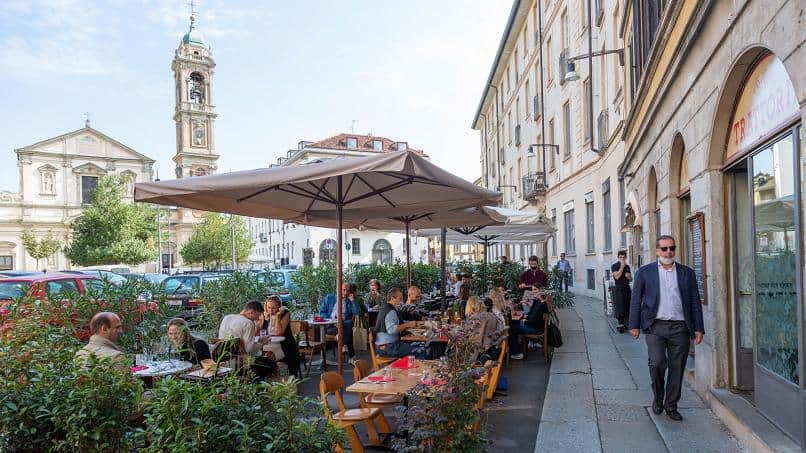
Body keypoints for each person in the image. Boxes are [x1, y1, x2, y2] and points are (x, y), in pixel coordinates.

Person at [629, 235, 704, 421]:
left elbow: (695, 301)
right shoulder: (645, 272)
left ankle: (671, 405)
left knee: (677, 367)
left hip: (680, 327)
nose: (668, 252)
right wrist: (634, 325)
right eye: (664, 249)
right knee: (657, 363)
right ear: (657, 251)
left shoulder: (687, 273)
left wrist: (698, 328)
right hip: (655, 326)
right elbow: (635, 299)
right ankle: (658, 396)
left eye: (672, 248)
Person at [375, 287, 425, 358]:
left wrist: (412, 324)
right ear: (392, 298)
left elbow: (396, 323)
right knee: (420, 350)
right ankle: (417, 368)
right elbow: (392, 330)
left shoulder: (386, 308)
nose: (402, 302)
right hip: (387, 347)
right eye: (400, 299)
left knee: (416, 345)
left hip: (384, 345)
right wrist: (408, 324)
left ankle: (410, 367)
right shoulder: (391, 311)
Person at [262, 296, 301, 377]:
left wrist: (277, 317)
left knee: (267, 357)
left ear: (279, 307)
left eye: (273, 308)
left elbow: (279, 332)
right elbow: (259, 331)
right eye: (268, 307)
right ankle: (268, 377)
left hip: (285, 346)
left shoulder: (285, 313)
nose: (271, 310)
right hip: (270, 345)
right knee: (258, 354)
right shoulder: (265, 315)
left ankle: (275, 375)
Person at [508, 292, 550, 360]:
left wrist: (525, 320)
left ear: (540, 295)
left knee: (512, 328)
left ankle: (516, 353)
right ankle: (516, 350)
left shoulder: (540, 305)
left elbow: (534, 319)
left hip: (536, 329)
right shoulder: (540, 303)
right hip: (536, 327)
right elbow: (533, 314)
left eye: (535, 292)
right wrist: (526, 318)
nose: (533, 293)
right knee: (514, 325)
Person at [325, 283, 357, 361]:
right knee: (348, 327)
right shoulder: (329, 298)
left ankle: (344, 345)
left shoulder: (349, 300)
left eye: (347, 291)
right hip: (331, 326)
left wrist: (353, 301)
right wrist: (330, 320)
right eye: (343, 290)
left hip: (343, 325)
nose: (345, 292)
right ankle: (350, 354)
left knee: (347, 323)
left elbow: (357, 312)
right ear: (338, 289)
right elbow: (322, 312)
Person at [611, 250, 633, 333]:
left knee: (628, 306)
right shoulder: (615, 266)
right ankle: (620, 324)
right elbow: (617, 277)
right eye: (620, 257)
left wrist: (629, 276)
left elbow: (631, 279)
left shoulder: (627, 267)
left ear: (626, 257)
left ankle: (626, 324)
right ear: (618, 257)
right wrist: (622, 267)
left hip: (627, 288)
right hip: (619, 288)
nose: (622, 259)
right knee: (620, 307)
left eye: (623, 258)